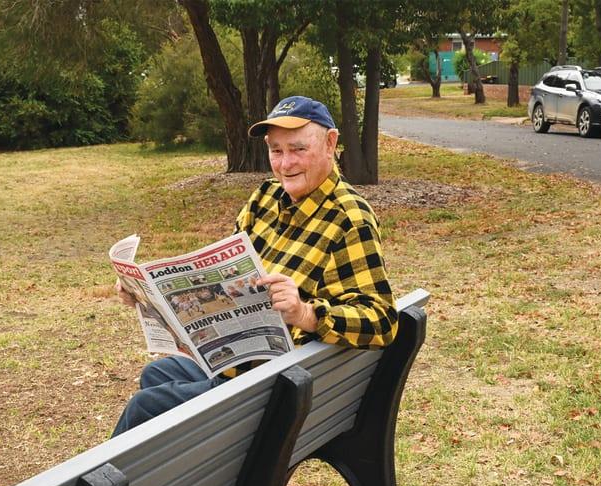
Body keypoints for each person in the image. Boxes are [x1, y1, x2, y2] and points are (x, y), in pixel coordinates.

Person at [111, 96, 397, 436]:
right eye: (276, 151)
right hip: (239, 361)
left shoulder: (349, 220)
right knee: (156, 375)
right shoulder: (265, 198)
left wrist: (305, 313)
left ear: (330, 143)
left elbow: (382, 321)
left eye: (298, 149)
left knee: (145, 407)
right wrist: (150, 296)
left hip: (275, 392)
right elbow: (222, 281)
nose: (286, 163)